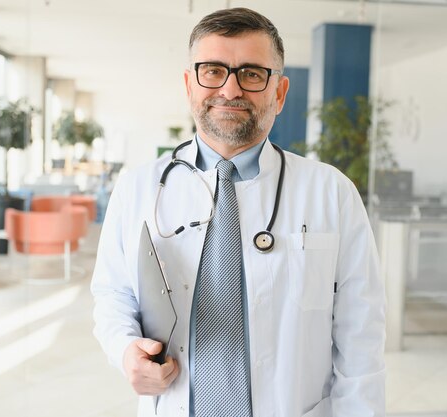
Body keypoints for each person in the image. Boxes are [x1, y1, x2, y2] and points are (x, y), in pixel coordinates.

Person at [91, 7, 385, 417]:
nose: (230, 90)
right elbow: (112, 293)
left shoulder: (332, 192)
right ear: (189, 84)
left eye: (251, 74)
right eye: (213, 71)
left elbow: (362, 332)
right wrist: (125, 350)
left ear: (279, 92)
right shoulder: (137, 188)